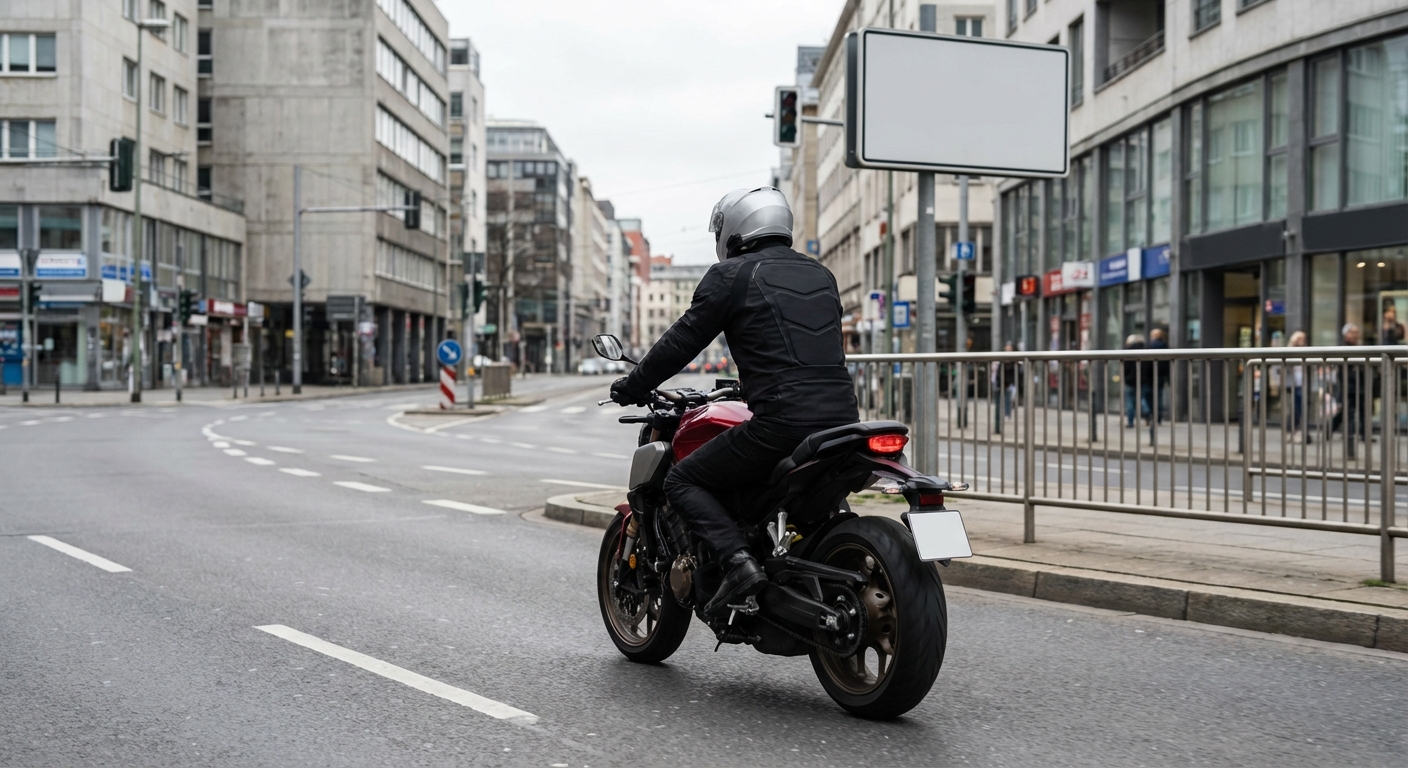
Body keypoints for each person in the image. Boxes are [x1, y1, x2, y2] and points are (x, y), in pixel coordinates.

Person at [610, 187, 859, 615]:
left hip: (782, 425)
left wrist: (634, 384)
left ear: (733, 230)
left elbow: (681, 341)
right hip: (842, 423)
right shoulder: (821, 275)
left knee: (682, 481)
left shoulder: (731, 276)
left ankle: (738, 564)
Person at [1332, 323, 1365, 458]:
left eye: (1356, 332)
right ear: (1345, 334)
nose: (1355, 335)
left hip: (1360, 387)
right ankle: (1350, 449)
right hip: (1348, 388)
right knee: (1348, 417)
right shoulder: (1343, 348)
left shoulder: (1359, 348)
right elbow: (1342, 373)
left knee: (1361, 413)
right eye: (1352, 332)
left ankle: (1363, 435)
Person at [1121, 334, 1149, 427]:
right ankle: (1147, 415)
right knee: (1142, 399)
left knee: (1130, 402)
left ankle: (1130, 422)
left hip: (1130, 381)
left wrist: (1126, 377)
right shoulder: (1146, 351)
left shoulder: (1128, 352)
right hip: (1143, 380)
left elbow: (1125, 368)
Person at [1286, 330, 1309, 442]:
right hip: (1293, 384)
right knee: (1295, 409)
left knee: (1300, 409)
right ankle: (1291, 432)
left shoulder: (1306, 350)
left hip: (1302, 383)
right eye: (1300, 339)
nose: (1302, 341)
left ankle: (1297, 432)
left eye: (1303, 339)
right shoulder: (1289, 351)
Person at [1147, 327, 1171, 423]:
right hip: (1160, 376)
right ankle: (1158, 417)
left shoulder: (1151, 346)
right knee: (1159, 397)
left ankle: (1150, 414)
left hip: (1150, 376)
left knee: (1149, 396)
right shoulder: (1165, 346)